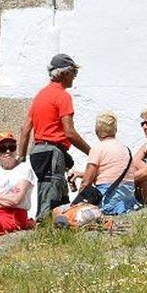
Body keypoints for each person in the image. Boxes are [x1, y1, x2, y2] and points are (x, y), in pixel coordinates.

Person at [17, 53, 89, 214]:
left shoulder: (40, 95)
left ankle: (59, 229)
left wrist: (21, 158)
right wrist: (92, 152)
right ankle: (45, 231)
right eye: (73, 72)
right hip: (52, 152)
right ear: (64, 73)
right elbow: (69, 132)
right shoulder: (62, 96)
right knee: (50, 201)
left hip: (38, 152)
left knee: (59, 196)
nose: (75, 77)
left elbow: (25, 129)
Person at [73, 113, 138, 214]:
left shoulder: (98, 148)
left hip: (108, 200)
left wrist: (77, 203)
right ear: (115, 130)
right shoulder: (126, 149)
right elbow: (111, 172)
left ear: (97, 131)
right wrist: (80, 174)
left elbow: (86, 182)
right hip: (128, 200)